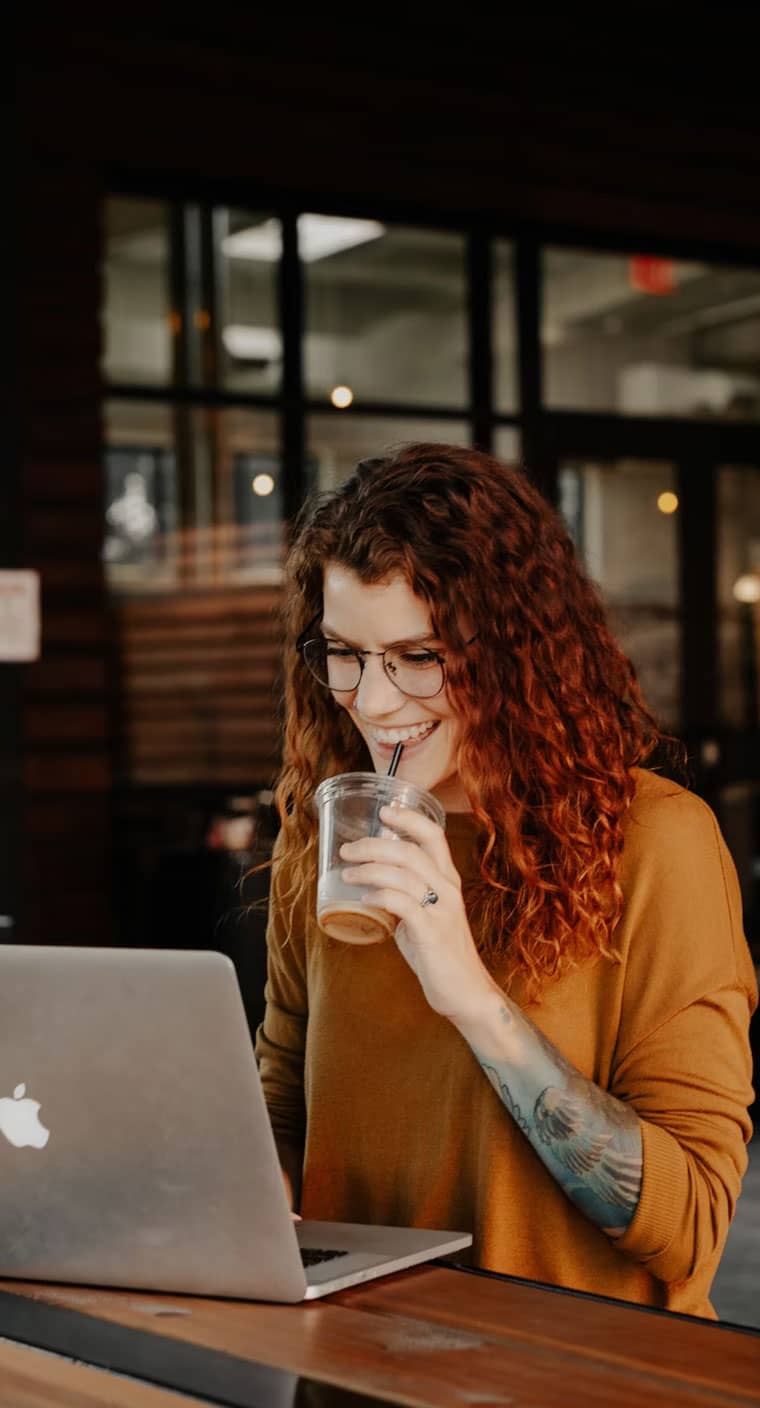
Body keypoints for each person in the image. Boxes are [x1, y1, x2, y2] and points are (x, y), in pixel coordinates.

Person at [255, 443, 757, 1318]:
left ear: (518, 655)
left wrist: (472, 996)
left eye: (418, 656)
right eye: (344, 653)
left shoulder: (657, 843)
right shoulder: (326, 836)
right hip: (354, 1363)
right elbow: (285, 1103)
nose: (372, 702)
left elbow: (690, 1227)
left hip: (572, 1370)